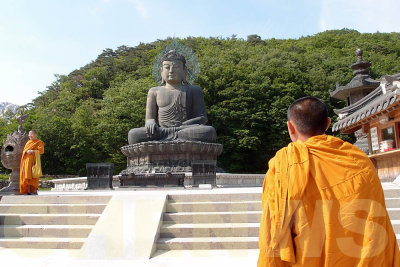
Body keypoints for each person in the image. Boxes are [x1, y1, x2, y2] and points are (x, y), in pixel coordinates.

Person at [258, 97, 400, 266]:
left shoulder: (282, 167)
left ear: (290, 127)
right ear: (328, 123)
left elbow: (273, 231)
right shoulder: (358, 160)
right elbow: (376, 222)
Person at [128, 50, 216, 144]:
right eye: (167, 67)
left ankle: (171, 139)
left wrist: (184, 125)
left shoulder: (194, 90)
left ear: (184, 71)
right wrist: (150, 122)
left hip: (185, 129)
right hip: (161, 131)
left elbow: (202, 118)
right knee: (133, 134)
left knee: (209, 131)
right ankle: (175, 139)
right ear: (161, 71)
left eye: (176, 67)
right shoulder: (154, 91)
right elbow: (149, 119)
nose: (171, 71)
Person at [19, 130, 44, 195]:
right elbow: (24, 152)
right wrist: (27, 152)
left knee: (34, 176)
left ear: (35, 134)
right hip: (26, 162)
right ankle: (28, 191)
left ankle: (34, 190)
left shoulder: (39, 142)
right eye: (29, 134)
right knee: (27, 176)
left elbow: (41, 151)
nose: (29, 136)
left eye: (31, 134)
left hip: (34, 162)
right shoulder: (28, 143)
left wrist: (32, 151)